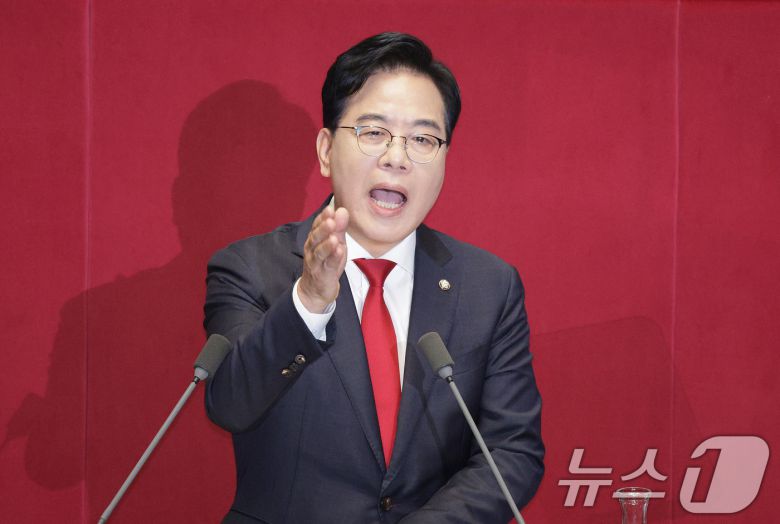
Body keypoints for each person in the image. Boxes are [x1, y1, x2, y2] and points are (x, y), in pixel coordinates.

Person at [204, 32, 544, 523]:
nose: (396, 157)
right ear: (326, 150)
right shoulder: (250, 268)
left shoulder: (489, 287)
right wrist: (309, 299)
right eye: (374, 132)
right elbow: (231, 403)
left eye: (423, 139)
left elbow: (511, 451)